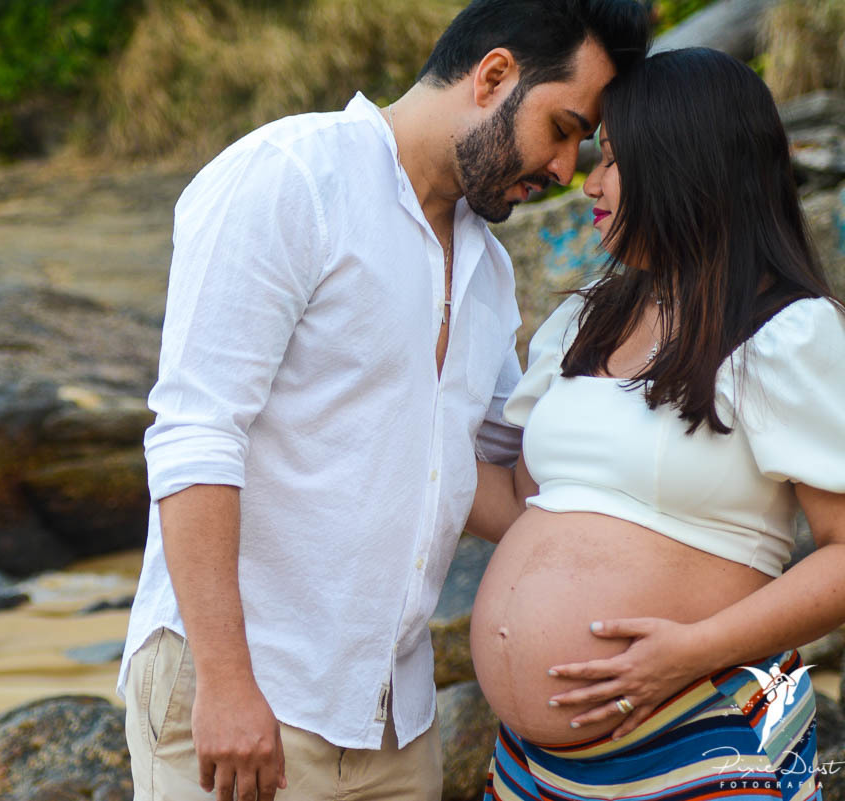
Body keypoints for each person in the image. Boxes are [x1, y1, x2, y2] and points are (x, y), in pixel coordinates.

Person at [116, 1, 651, 800]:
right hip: (244, 698)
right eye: (564, 126)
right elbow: (196, 435)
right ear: (494, 76)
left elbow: (495, 483)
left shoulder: (488, 270)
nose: (567, 169)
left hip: (397, 724)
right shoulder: (292, 177)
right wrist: (226, 684)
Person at [464, 47, 845, 801]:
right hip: (530, 766)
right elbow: (519, 510)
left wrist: (691, 650)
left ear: (683, 164)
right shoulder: (583, 320)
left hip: (699, 734)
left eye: (613, 160)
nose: (588, 181)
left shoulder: (785, 334)